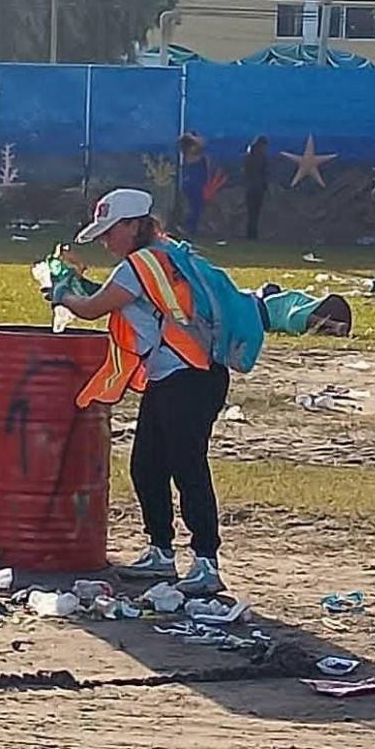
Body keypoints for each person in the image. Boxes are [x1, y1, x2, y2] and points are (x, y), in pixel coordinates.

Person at [48, 188, 228, 596]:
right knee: (147, 464)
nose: (106, 241)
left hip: (187, 377)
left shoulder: (140, 265)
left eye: (111, 232)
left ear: (133, 226)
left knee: (187, 468)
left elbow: (93, 308)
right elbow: (116, 299)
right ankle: (161, 553)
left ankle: (205, 562)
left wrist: (63, 294)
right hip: (186, 376)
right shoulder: (164, 256)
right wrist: (78, 288)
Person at [178, 132, 210, 238]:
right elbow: (201, 144)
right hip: (194, 184)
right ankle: (189, 227)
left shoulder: (192, 155)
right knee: (195, 207)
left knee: (195, 207)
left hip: (195, 183)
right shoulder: (193, 155)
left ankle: (190, 227)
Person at [243, 136, 269, 240]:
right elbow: (264, 172)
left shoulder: (248, 157)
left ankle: (250, 234)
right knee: (255, 213)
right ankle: (252, 235)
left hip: (250, 187)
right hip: (257, 187)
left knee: (251, 212)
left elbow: (245, 172)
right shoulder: (262, 157)